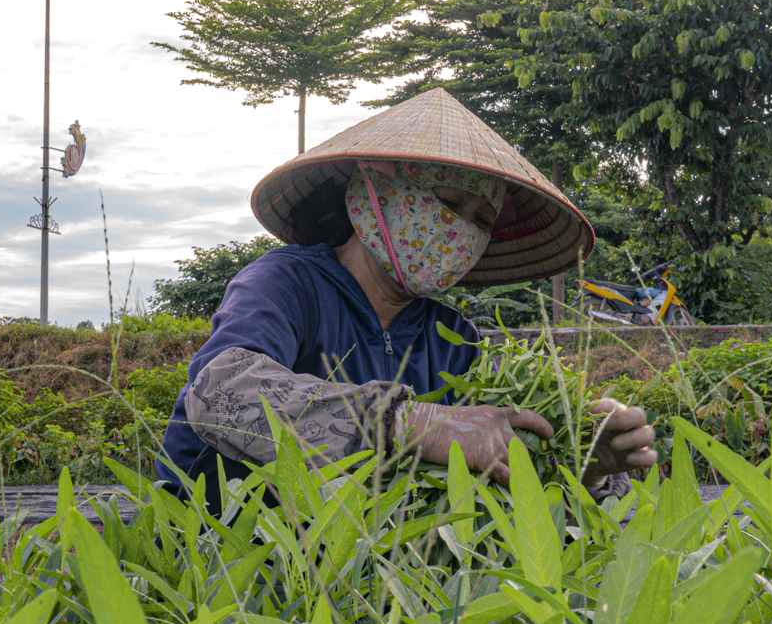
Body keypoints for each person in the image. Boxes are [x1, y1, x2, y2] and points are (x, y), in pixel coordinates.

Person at [157, 89, 657, 507]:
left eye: (481, 220)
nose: (461, 227)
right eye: (448, 201)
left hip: (364, 574)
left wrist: (582, 464)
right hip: (222, 551)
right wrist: (411, 422)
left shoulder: (455, 340)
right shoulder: (286, 284)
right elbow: (222, 392)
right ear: (375, 188)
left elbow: (492, 481)